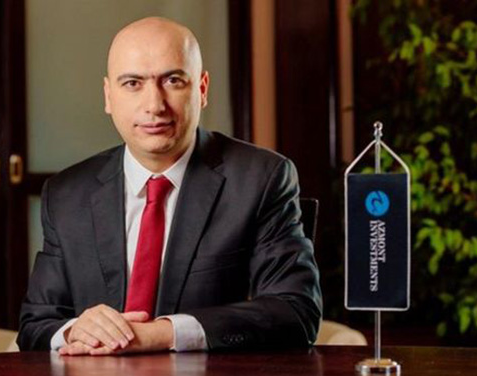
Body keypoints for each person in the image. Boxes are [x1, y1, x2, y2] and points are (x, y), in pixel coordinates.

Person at [17, 17, 322, 355]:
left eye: (173, 80)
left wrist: (161, 334)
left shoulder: (260, 179)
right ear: (108, 96)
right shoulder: (67, 194)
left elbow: (295, 311)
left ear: (201, 89)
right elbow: (35, 327)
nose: (154, 105)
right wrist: (76, 330)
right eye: (132, 83)